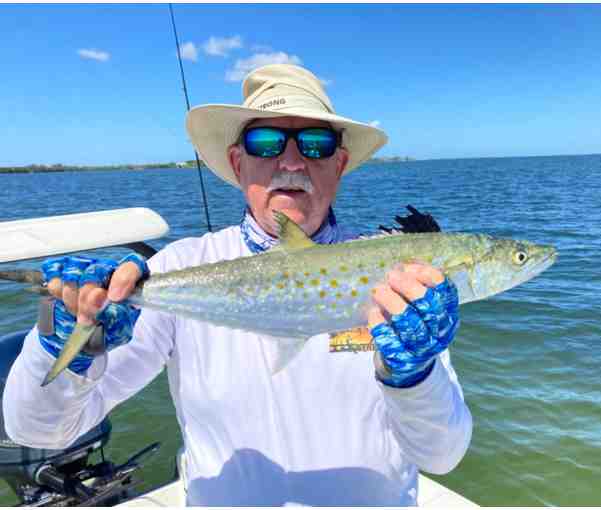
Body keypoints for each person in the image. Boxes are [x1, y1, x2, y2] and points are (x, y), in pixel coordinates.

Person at [3, 64, 472, 506]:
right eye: (266, 142)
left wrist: (413, 376)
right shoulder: (181, 266)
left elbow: (442, 455)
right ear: (238, 161)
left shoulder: (398, 277)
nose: (291, 162)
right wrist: (64, 337)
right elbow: (39, 433)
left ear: (340, 162)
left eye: (315, 143)